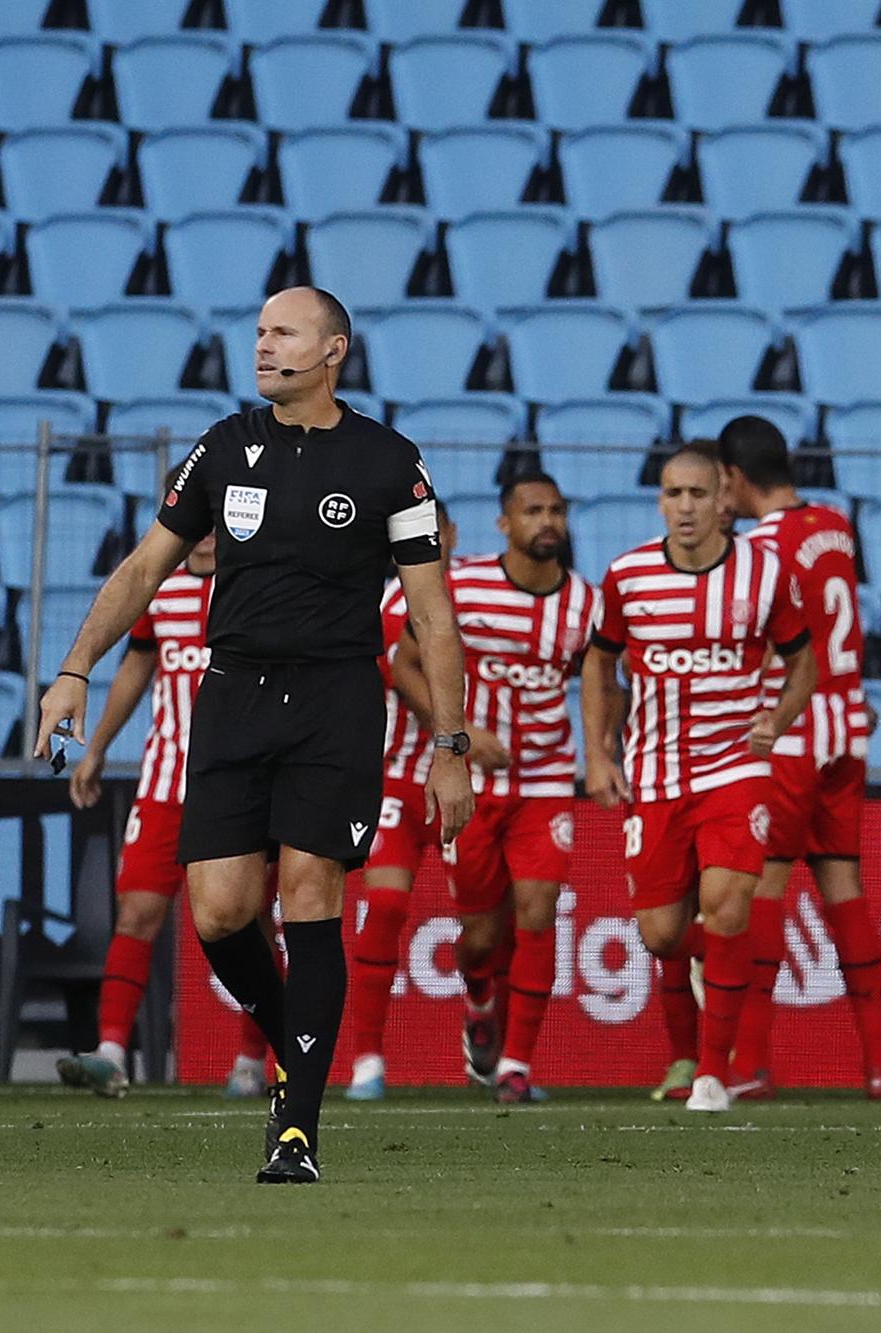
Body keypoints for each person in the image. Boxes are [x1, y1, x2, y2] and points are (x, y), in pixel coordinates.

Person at [35, 287, 474, 1184]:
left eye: (283, 332)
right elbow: (143, 569)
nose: (264, 346)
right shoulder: (223, 447)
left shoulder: (391, 461)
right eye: (260, 332)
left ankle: (296, 1128)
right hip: (230, 697)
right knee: (222, 912)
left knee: (310, 895)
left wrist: (451, 746)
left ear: (334, 349)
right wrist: (74, 666)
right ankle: (298, 1043)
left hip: (336, 702)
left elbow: (433, 616)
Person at [582, 445, 817, 1113]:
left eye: (697, 494)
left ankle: (714, 1073)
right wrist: (598, 755)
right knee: (661, 933)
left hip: (734, 767)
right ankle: (715, 971)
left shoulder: (765, 573)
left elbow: (805, 661)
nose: (684, 507)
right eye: (672, 493)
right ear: (660, 501)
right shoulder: (628, 576)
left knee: (729, 904)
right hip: (655, 773)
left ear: (722, 499)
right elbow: (599, 667)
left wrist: (779, 715)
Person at [717, 417, 881, 1102]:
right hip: (847, 729)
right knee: (843, 888)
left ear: (735, 478)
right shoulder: (835, 524)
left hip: (791, 733)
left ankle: (752, 1063)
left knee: (763, 890)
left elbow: (773, 645)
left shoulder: (757, 548)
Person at [392, 474, 594, 1104]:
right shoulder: (467, 585)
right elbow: (402, 663)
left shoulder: (586, 603)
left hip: (546, 780)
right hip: (474, 782)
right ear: (505, 523)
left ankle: (516, 1066)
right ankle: (479, 1000)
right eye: (533, 510)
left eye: (556, 509)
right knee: (481, 935)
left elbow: (598, 682)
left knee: (537, 913)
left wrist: (603, 754)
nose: (548, 520)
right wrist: (457, 734)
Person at [57, 524, 275, 1098]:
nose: (203, 539)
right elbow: (136, 668)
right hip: (165, 784)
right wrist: (98, 748)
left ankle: (253, 1059)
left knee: (248, 922)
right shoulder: (163, 592)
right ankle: (110, 1051)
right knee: (136, 914)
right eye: (194, 526)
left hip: (240, 788)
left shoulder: (256, 588)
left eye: (214, 527)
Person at [341, 503, 459, 1102]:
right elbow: (398, 671)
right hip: (396, 777)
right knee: (384, 905)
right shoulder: (389, 604)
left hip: (472, 781)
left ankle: (491, 1025)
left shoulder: (485, 598)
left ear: (453, 537)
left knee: (492, 928)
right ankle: (367, 1057)